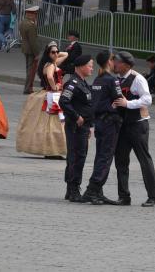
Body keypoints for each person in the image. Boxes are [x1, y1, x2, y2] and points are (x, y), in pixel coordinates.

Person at [112, 51, 155, 207]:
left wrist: (129, 104)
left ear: (126, 65)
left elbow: (147, 99)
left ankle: (153, 196)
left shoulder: (137, 79)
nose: (115, 64)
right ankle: (124, 196)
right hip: (123, 125)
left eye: (117, 62)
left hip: (138, 124)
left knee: (144, 160)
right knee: (120, 160)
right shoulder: (117, 79)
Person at [82, 51, 123, 204]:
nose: (115, 63)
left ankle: (98, 192)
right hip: (110, 123)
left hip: (99, 122)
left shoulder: (98, 80)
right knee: (105, 158)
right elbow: (120, 100)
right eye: (114, 60)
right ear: (109, 61)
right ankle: (92, 190)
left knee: (100, 156)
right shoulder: (112, 81)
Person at [16, 41, 68, 157]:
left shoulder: (53, 63)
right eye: (53, 52)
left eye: (56, 52)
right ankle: (51, 150)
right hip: (51, 95)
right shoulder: (49, 65)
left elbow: (66, 55)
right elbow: (50, 76)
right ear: (47, 53)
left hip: (52, 94)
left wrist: (55, 51)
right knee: (52, 122)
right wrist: (55, 87)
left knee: (53, 123)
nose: (56, 54)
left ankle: (51, 149)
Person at [59, 55, 94, 202]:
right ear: (81, 66)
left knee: (79, 156)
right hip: (75, 127)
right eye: (90, 65)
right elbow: (64, 101)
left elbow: (88, 106)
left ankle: (71, 189)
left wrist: (91, 125)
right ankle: (73, 190)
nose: (92, 68)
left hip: (84, 127)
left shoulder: (84, 83)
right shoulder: (73, 83)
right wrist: (76, 117)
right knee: (76, 157)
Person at [19, 5, 41, 94]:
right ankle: (28, 88)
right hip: (31, 50)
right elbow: (33, 41)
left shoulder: (23, 23)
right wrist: (37, 54)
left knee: (28, 69)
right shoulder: (31, 26)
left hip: (25, 48)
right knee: (31, 70)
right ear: (31, 15)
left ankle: (27, 87)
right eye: (35, 15)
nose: (36, 17)